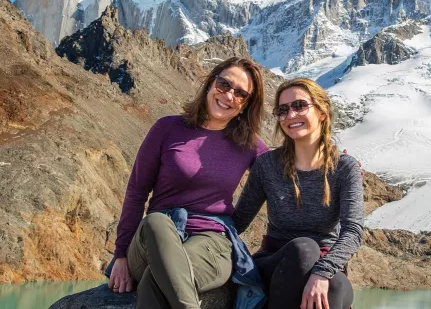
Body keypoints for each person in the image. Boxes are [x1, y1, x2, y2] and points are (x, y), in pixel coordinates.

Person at [107, 57, 269, 309]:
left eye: (240, 93)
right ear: (210, 82)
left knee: (156, 278)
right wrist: (120, 255)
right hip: (153, 240)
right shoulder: (167, 128)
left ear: (246, 105)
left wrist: (330, 165)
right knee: (156, 222)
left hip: (211, 242)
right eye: (224, 84)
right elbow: (137, 191)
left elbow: (284, 175)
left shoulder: (249, 145)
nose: (228, 95)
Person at [233, 78, 364, 309]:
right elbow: (238, 222)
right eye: (283, 110)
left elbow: (353, 231)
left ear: (322, 112)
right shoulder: (267, 166)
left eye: (300, 106)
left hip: (326, 261)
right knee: (304, 247)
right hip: (275, 262)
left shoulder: (344, 167)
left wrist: (322, 272)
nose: (290, 115)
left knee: (333, 287)